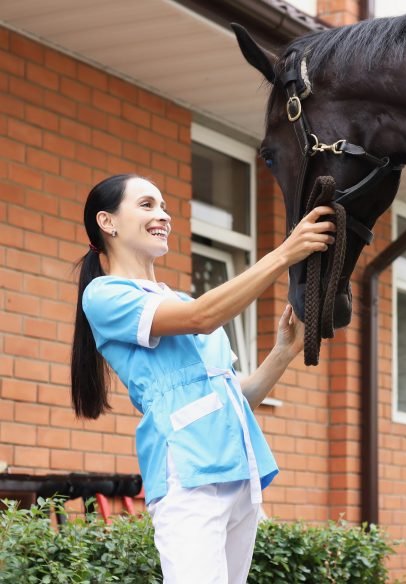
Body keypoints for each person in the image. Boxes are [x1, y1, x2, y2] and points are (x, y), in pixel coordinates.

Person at [70, 174, 335, 583]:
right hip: (188, 474)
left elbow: (235, 395)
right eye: (146, 205)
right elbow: (202, 318)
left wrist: (284, 351)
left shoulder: (180, 300)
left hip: (238, 473)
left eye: (163, 206)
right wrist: (284, 253)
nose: (162, 215)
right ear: (108, 222)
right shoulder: (105, 295)